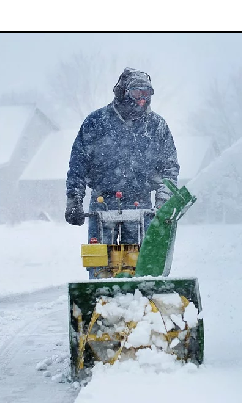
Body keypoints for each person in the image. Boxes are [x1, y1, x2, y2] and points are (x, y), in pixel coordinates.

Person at [65, 67, 180, 276]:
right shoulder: (96, 122)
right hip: (101, 202)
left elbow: (169, 168)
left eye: (147, 94)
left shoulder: (156, 126)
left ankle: (136, 301)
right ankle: (100, 297)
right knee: (100, 265)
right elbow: (78, 164)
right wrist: (74, 198)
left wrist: (163, 201)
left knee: (139, 266)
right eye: (137, 93)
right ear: (122, 92)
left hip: (141, 203)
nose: (142, 100)